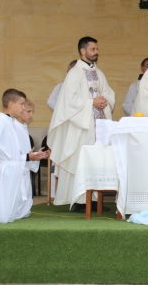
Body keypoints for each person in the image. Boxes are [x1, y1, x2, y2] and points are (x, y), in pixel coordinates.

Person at [47, 37, 115, 210]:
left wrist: (104, 101)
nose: (96, 52)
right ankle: (79, 200)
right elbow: (68, 101)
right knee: (81, 161)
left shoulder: (99, 74)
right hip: (81, 127)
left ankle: (93, 200)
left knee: (96, 162)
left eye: (97, 48)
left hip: (97, 127)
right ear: (83, 51)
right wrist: (91, 102)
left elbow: (108, 93)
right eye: (93, 49)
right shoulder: (75, 72)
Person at [0, 89, 26, 224]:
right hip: (4, 172)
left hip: (14, 170)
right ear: (11, 104)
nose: (24, 108)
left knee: (10, 213)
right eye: (21, 104)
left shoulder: (12, 123)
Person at [14, 99, 49, 219]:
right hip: (13, 170)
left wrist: (37, 155)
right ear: (20, 111)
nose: (31, 115)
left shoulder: (23, 127)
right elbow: (10, 154)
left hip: (22, 168)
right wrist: (29, 157)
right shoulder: (12, 128)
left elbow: (25, 152)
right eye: (28, 111)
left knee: (24, 205)